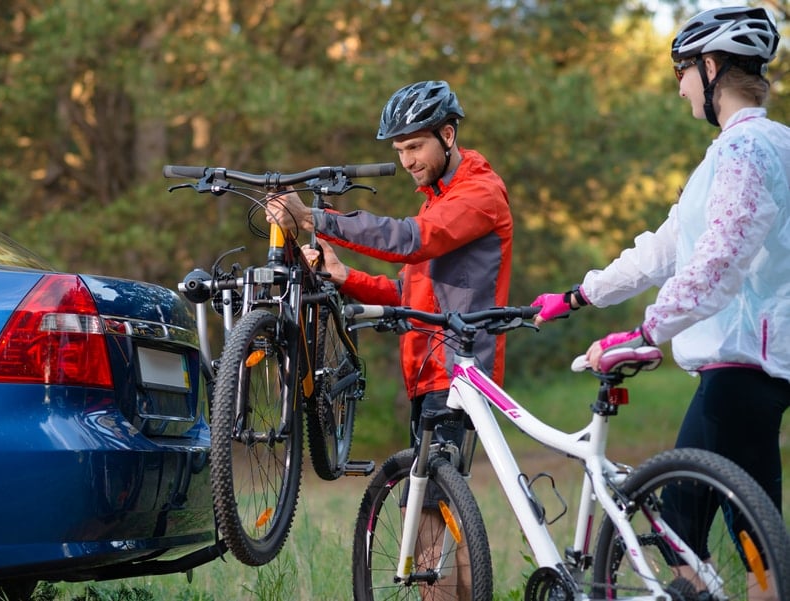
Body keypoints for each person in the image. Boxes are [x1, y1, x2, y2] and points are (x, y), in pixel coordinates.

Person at [532, 6, 788, 599]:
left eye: (682, 72)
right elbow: (666, 247)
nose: (679, 87)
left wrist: (648, 329)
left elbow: (718, 258)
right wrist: (580, 295)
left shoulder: (745, 151)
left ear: (712, 66)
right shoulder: (737, 154)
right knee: (711, 532)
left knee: (724, 541)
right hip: (745, 366)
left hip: (742, 364)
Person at [266, 79, 513, 598]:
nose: (406, 161)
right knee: (437, 516)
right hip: (430, 375)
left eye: (415, 146)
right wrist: (343, 275)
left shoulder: (478, 193)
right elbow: (408, 290)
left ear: (448, 135)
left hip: (460, 371)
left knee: (427, 518)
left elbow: (410, 241)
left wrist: (314, 219)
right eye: (399, 150)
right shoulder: (437, 198)